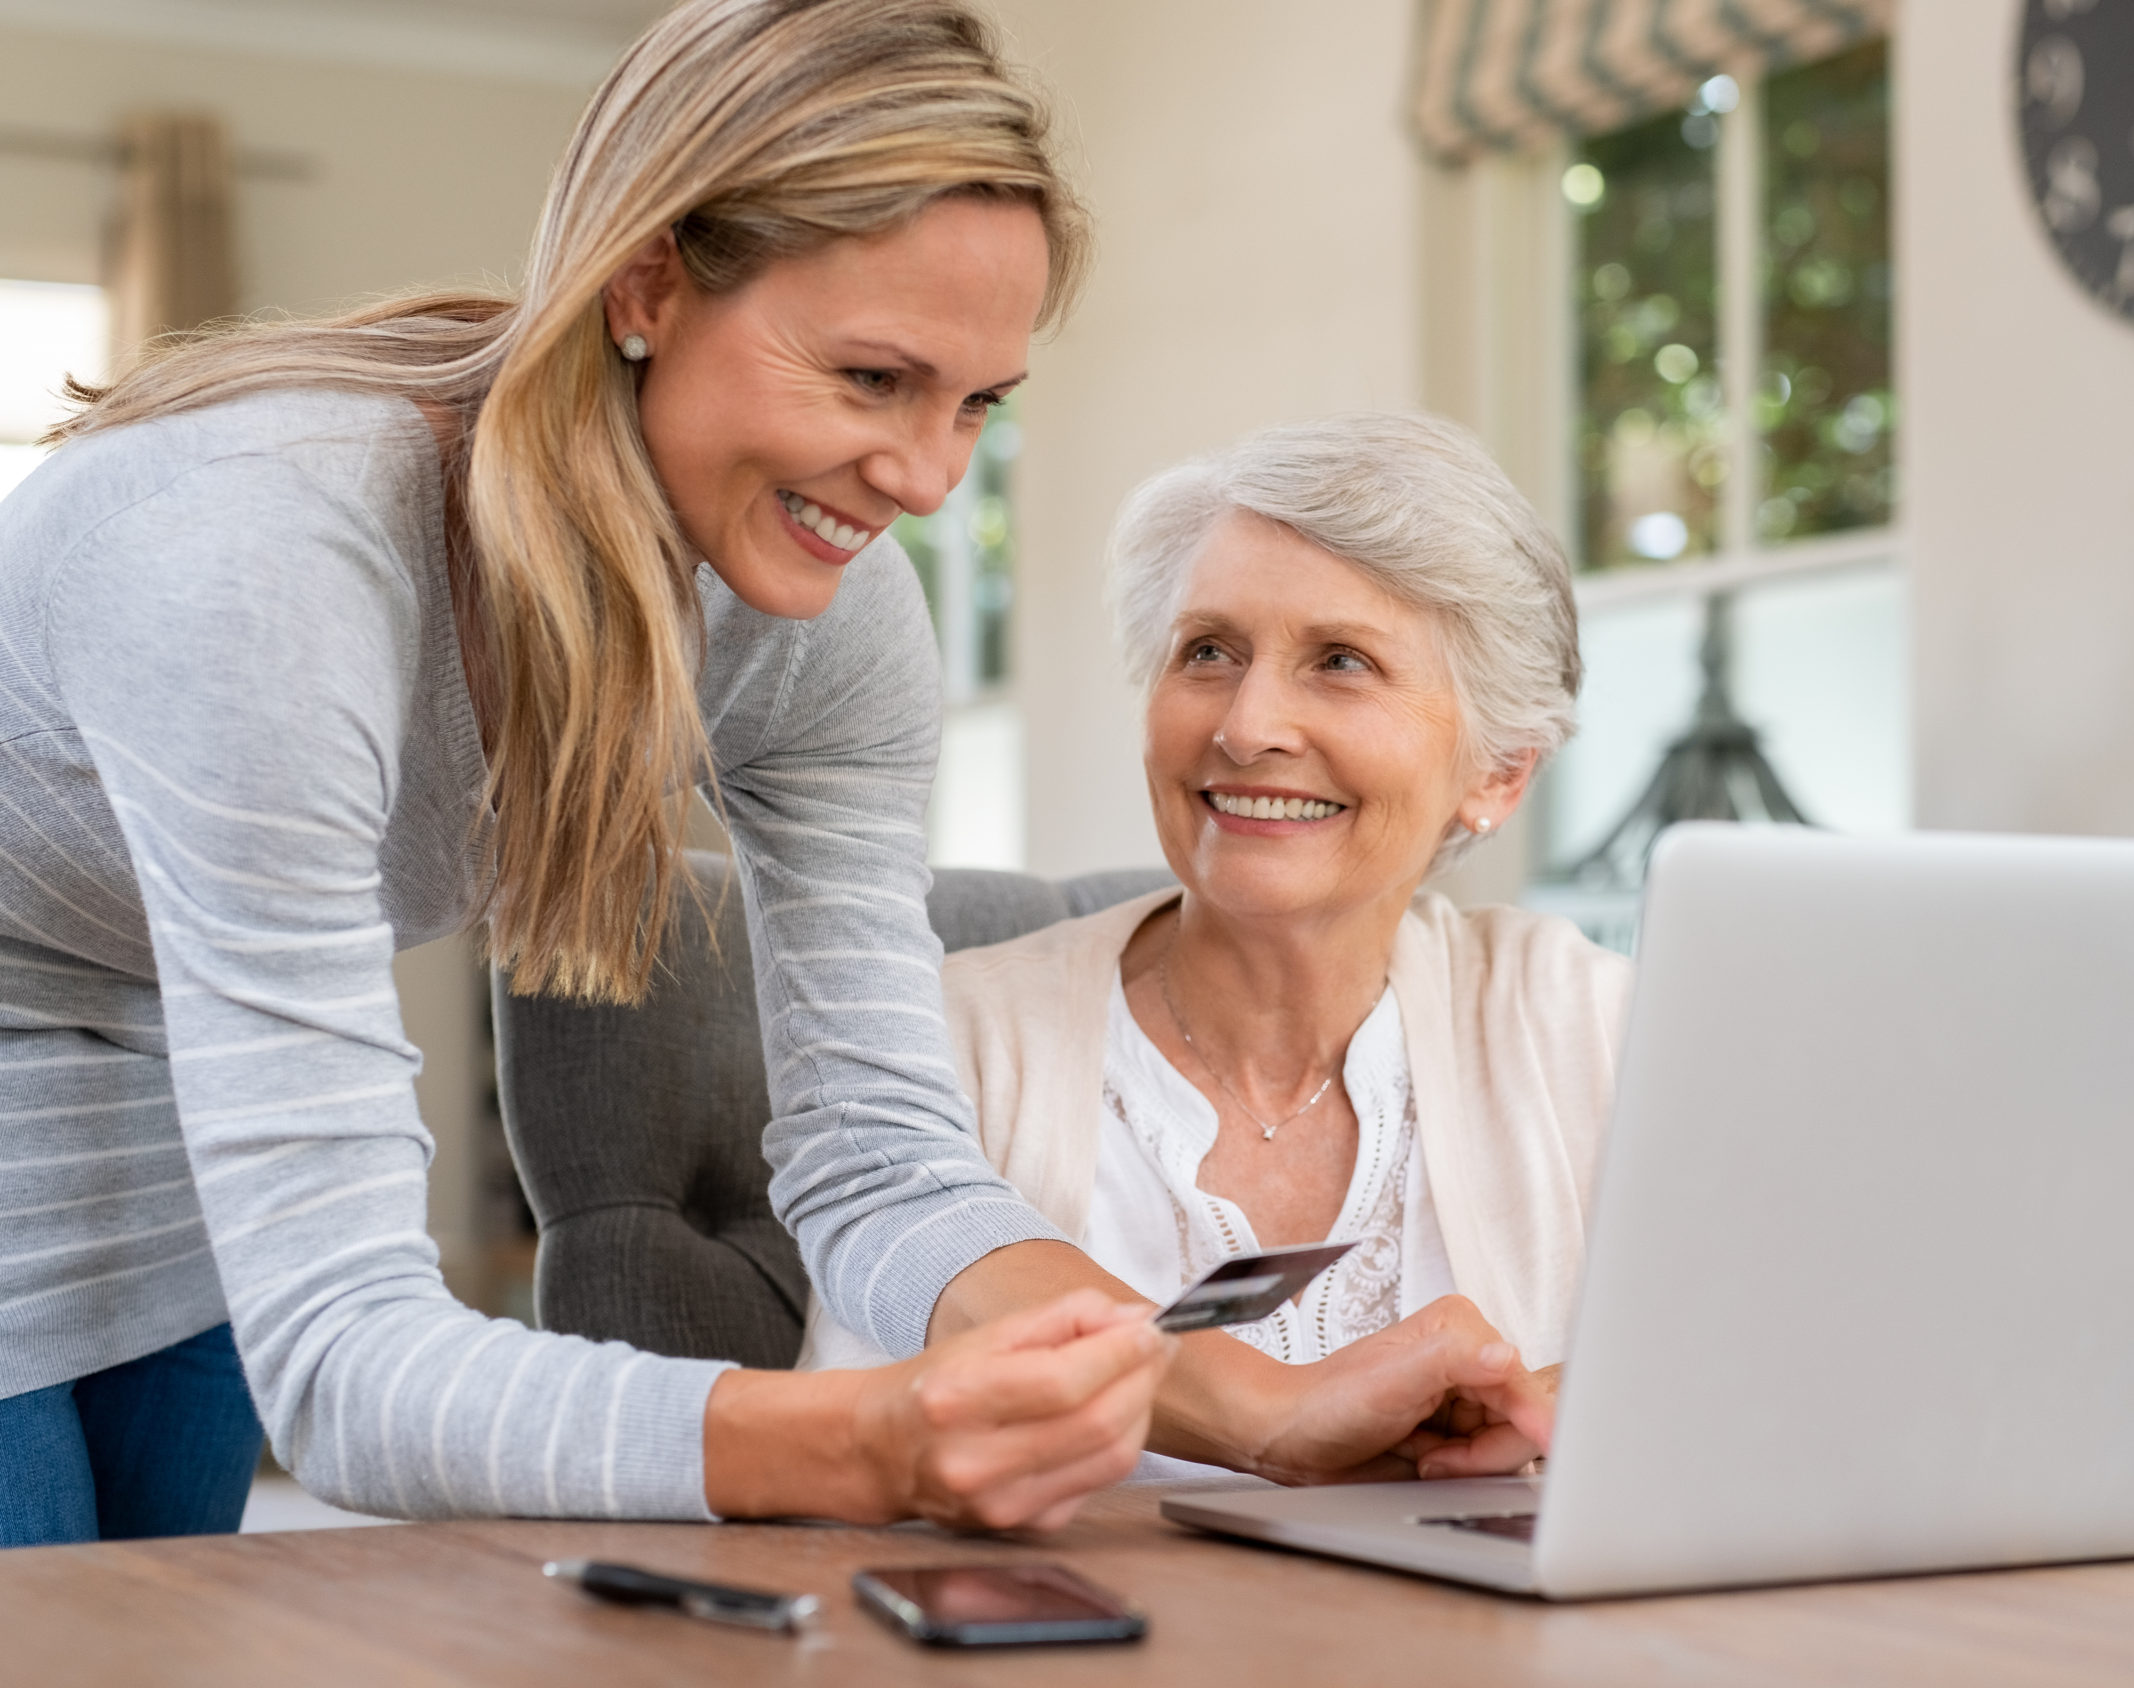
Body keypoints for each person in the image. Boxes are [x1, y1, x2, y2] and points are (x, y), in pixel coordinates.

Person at [0, 0, 1538, 1548]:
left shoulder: (823, 617)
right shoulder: (255, 561)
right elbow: (346, 1374)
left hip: (167, 1123)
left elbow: (878, 1157)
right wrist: (869, 1442)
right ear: (651, 281)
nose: (931, 481)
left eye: (976, 404)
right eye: (873, 380)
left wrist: (1255, 1411)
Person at [805, 414, 1630, 1471]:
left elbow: (1780, 1351)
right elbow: (856, 1460)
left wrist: (1577, 1408)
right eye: (1208, 651)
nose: (1246, 725)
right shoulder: (947, 1041)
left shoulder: (1589, 1020)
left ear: (1498, 772)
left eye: (1340, 661)